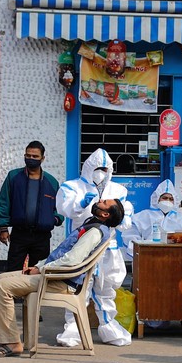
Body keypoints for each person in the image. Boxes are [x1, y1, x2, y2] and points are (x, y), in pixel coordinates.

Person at [0, 199, 124, 358]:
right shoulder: (92, 226)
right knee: (0, 278)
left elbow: (72, 260)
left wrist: (41, 269)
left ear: (105, 214)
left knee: (4, 286)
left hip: (60, 281)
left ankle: (12, 342)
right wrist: (39, 267)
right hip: (53, 275)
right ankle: (3, 338)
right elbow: (60, 254)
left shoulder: (95, 231)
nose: (100, 200)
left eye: (104, 202)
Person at [54, 148, 133, 347]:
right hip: (82, 247)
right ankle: (73, 330)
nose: (101, 172)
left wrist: (121, 218)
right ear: (88, 167)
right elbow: (65, 208)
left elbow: (125, 218)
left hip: (108, 248)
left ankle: (108, 327)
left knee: (106, 290)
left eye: (105, 169)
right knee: (78, 289)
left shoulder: (118, 190)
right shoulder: (72, 187)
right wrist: (80, 204)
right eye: (98, 168)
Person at [0, 140, 62, 272]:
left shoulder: (51, 182)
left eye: (35, 156)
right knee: (12, 272)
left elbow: (60, 207)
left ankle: (34, 294)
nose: (31, 159)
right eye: (28, 155)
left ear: (42, 158)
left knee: (37, 274)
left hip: (42, 237)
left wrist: (54, 219)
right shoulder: (13, 177)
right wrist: (3, 228)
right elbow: (4, 201)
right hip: (19, 234)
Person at [123, 180, 182, 260]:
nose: (168, 201)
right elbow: (130, 238)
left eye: (171, 199)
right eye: (164, 198)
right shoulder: (142, 217)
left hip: (175, 259)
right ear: (157, 199)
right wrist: (141, 255)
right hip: (147, 259)